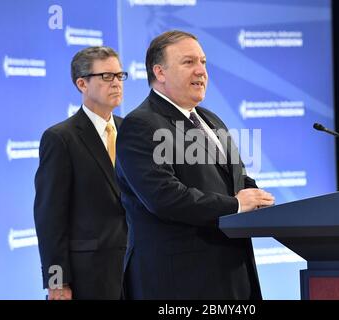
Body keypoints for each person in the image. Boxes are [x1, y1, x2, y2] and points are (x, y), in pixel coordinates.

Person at [116, 30, 275, 299]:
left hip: (232, 275)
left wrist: (258, 200)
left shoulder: (211, 119)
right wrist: (236, 204)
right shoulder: (141, 124)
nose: (201, 71)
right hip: (178, 282)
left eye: (203, 62)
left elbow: (237, 179)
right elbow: (164, 197)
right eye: (189, 62)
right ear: (160, 72)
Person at [34, 46, 128, 300]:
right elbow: (50, 219)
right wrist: (57, 282)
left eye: (120, 76)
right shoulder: (61, 138)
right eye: (107, 76)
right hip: (89, 276)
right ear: (82, 84)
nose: (117, 83)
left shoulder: (131, 131)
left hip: (136, 269)